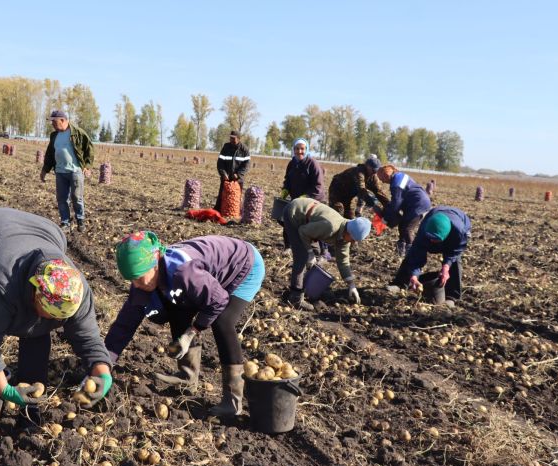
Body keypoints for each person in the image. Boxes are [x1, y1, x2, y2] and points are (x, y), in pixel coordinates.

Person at [0, 207, 111, 425]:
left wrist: (103, 374)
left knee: (36, 332)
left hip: (44, 231)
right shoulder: (0, 283)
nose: (49, 321)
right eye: (47, 313)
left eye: (57, 319)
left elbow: (88, 338)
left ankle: (31, 401)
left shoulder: (76, 289)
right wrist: (6, 391)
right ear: (35, 291)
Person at [104, 232, 265, 417]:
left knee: (223, 321)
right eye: (131, 279)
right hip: (207, 275)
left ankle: (233, 400)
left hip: (244, 265)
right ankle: (187, 377)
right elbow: (124, 326)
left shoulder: (184, 272)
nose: (137, 284)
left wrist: (191, 333)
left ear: (155, 262)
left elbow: (219, 301)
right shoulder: (142, 279)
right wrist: (103, 365)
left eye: (140, 277)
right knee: (176, 307)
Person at [283, 198, 372, 310]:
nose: (353, 242)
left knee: (316, 253)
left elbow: (343, 261)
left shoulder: (345, 237)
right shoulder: (331, 227)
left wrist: (351, 285)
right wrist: (309, 253)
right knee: (302, 256)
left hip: (309, 224)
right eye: (353, 239)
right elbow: (302, 231)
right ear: (349, 231)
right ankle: (295, 296)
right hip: (295, 213)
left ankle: (308, 287)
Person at [390, 206, 471, 303]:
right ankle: (400, 283)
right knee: (413, 254)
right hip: (435, 216)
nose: (432, 241)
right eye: (430, 238)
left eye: (435, 240)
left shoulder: (459, 232)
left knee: (455, 261)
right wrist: (414, 275)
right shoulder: (425, 228)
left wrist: (446, 267)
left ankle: (451, 296)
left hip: (459, 222)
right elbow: (417, 252)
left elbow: (455, 251)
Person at [40, 110, 94, 232]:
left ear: (62, 120)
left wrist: (87, 166)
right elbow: (49, 154)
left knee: (76, 197)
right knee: (61, 198)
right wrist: (45, 170)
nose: (52, 124)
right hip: (60, 172)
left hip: (75, 171)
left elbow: (89, 148)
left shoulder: (78, 133)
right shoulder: (54, 136)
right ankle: (65, 222)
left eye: (54, 122)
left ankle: (80, 220)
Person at [280, 138, 326, 252]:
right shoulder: (292, 163)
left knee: (317, 224)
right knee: (288, 221)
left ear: (307, 149)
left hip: (313, 200)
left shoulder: (313, 164)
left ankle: (324, 251)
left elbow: (318, 186)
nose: (299, 151)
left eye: (302, 149)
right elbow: (288, 180)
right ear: (293, 150)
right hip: (296, 200)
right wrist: (285, 189)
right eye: (297, 149)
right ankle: (289, 246)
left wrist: (306, 197)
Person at [376, 165, 432, 256]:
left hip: (418, 204)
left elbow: (396, 203)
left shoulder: (396, 184)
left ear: (386, 175)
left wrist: (385, 218)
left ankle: (413, 253)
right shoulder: (400, 175)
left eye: (381, 178)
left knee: (407, 228)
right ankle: (400, 250)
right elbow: (398, 200)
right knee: (402, 225)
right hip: (417, 202)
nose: (382, 181)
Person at [328, 153, 389, 219]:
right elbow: (361, 190)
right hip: (337, 190)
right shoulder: (359, 172)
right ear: (367, 166)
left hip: (348, 195)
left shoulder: (373, 177)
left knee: (349, 217)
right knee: (337, 212)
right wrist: (373, 205)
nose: (374, 172)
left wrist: (389, 205)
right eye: (373, 170)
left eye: (376, 171)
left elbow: (378, 191)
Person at [214, 130, 250, 212]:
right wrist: (223, 173)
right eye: (230, 138)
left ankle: (234, 212)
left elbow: (246, 165)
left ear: (239, 138)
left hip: (238, 179)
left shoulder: (244, 149)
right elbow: (220, 162)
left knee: (235, 197)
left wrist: (238, 174)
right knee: (222, 196)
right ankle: (219, 211)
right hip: (226, 177)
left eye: (233, 138)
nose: (231, 140)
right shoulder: (226, 147)